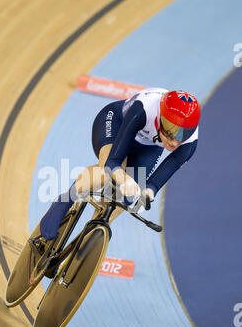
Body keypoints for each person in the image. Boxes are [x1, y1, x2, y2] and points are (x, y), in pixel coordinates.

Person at [34, 87, 201, 250]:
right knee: (108, 174)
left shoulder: (189, 143)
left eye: (182, 135)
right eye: (170, 132)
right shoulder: (143, 109)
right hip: (117, 123)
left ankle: (93, 233)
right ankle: (65, 200)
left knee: (127, 197)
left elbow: (157, 181)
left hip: (148, 146)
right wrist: (123, 178)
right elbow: (112, 162)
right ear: (160, 117)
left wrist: (148, 191)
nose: (173, 142)